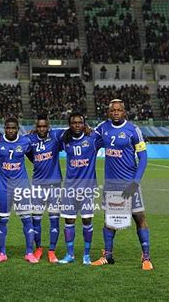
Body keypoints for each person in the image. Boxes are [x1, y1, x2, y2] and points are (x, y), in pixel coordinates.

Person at [92, 99, 152, 270]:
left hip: (129, 184)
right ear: (109, 112)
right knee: (110, 221)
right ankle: (107, 256)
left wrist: (135, 182)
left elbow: (143, 158)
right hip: (111, 185)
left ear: (124, 111)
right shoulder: (103, 127)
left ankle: (146, 258)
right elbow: (89, 139)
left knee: (139, 218)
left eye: (119, 110)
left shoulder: (133, 130)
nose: (116, 113)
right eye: (113, 110)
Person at [0, 117, 38, 264]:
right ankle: (2, 253)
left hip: (21, 187)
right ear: (4, 128)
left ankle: (29, 253)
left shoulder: (25, 142)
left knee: (26, 220)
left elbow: (35, 159)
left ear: (17, 128)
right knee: (2, 220)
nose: (10, 130)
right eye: (8, 128)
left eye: (13, 128)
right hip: (4, 188)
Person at [58, 113, 102, 265]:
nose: (77, 125)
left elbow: (106, 134)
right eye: (74, 123)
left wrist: (93, 129)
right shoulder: (65, 140)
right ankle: (70, 254)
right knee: (69, 221)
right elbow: (50, 133)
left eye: (80, 122)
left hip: (87, 189)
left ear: (84, 124)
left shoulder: (93, 139)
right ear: (70, 124)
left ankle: (86, 255)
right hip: (70, 188)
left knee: (87, 220)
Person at [26, 113, 64, 263]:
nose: (42, 129)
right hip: (37, 184)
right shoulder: (30, 139)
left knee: (54, 219)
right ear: (35, 127)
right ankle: (39, 248)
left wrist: (86, 127)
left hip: (55, 184)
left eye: (44, 126)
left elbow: (72, 131)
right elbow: (29, 154)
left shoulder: (55, 136)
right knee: (36, 219)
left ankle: (52, 251)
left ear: (48, 126)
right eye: (39, 126)